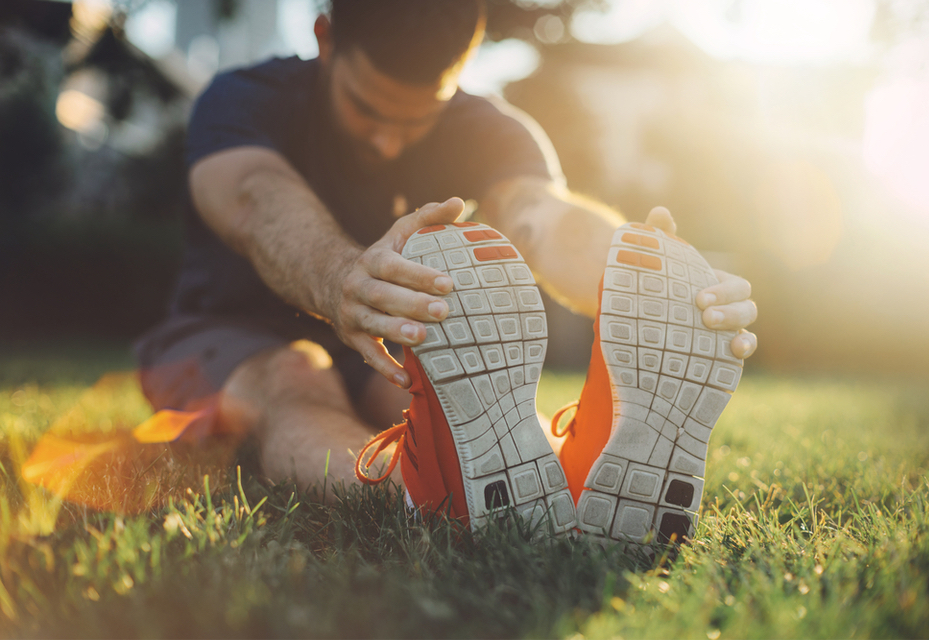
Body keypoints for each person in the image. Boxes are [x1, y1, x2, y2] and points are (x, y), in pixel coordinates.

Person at [136, 0, 757, 542]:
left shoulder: (489, 129)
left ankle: (573, 477)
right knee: (297, 373)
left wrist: (644, 281)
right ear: (326, 40)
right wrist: (343, 278)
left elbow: (540, 217)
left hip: (390, 348)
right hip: (222, 339)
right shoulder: (244, 98)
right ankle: (415, 495)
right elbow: (252, 194)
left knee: (448, 404)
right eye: (368, 109)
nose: (388, 141)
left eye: (417, 117)